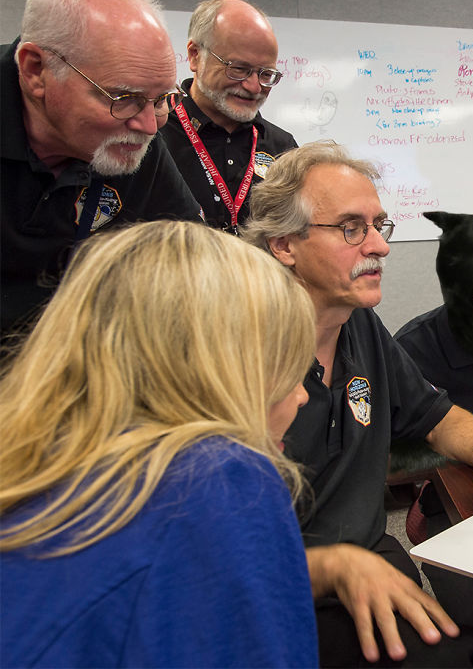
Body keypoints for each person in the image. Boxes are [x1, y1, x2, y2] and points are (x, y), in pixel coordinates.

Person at [241, 140, 473, 667]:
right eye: (351, 228)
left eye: (380, 225)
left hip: (372, 562)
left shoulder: (359, 324)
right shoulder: (238, 352)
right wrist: (335, 567)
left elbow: (438, 416)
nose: (380, 246)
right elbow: (210, 555)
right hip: (279, 594)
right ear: (285, 244)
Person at [0, 221, 318, 667]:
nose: (301, 395)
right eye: (284, 368)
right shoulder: (218, 479)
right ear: (215, 370)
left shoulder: (36, 457)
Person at [1, 0, 203, 341]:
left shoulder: (133, 132)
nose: (148, 125)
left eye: (162, 100)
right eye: (123, 98)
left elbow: (194, 257)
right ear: (35, 70)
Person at [162, 0, 297, 234]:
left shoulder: (283, 148)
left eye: (266, 74)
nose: (254, 87)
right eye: (239, 69)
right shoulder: (155, 135)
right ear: (195, 55)